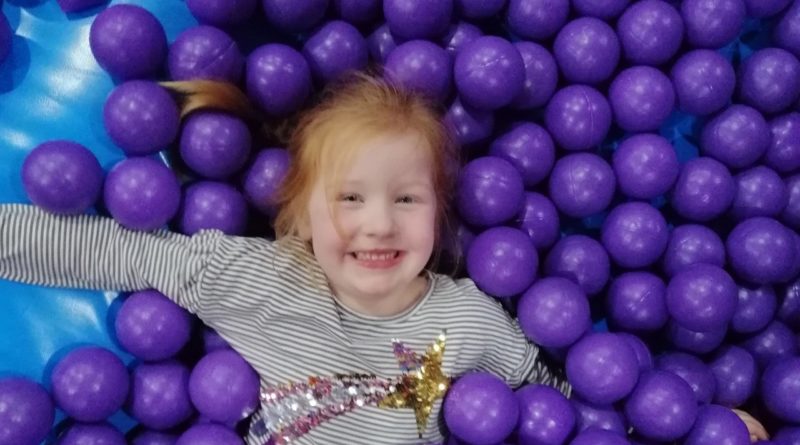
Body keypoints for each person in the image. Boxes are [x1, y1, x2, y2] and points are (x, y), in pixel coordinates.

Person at [0, 73, 570, 445]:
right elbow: (128, 254)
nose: (378, 224)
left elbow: (548, 397)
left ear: (439, 215)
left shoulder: (470, 320)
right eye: (349, 197)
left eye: (406, 199)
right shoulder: (266, 280)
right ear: (299, 220)